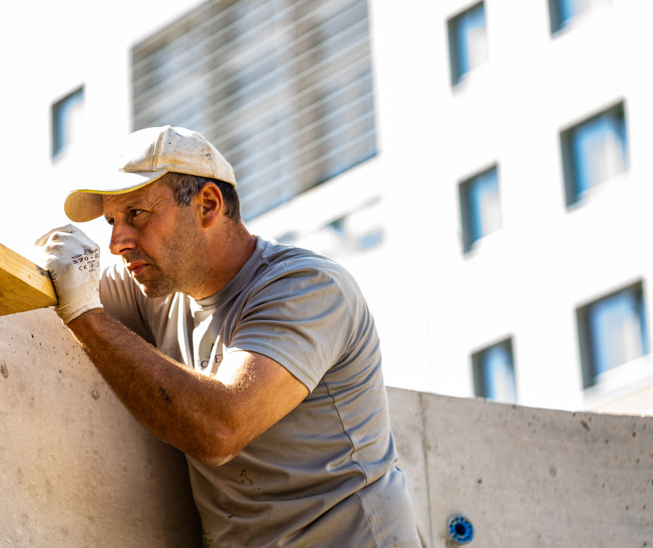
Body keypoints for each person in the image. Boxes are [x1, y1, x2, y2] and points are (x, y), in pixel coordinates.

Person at [38, 126, 420, 547]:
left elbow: (219, 429)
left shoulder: (306, 287)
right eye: (111, 222)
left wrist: (84, 315)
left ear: (207, 205)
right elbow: (48, 290)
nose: (115, 243)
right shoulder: (157, 286)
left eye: (137, 215)